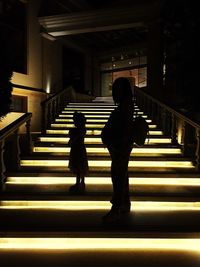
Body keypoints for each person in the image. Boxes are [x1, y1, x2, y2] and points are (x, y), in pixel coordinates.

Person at [101, 77, 134, 222]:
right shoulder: (125, 105)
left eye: (118, 88)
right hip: (119, 146)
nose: (115, 91)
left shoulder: (126, 106)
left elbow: (125, 129)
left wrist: (118, 144)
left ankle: (116, 209)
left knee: (118, 176)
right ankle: (124, 204)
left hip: (120, 146)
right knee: (121, 175)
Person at [68, 111, 88, 194]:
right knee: (80, 166)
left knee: (78, 166)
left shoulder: (79, 130)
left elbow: (73, 139)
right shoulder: (82, 130)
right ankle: (81, 183)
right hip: (79, 148)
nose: (75, 123)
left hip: (77, 149)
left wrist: (71, 138)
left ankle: (79, 183)